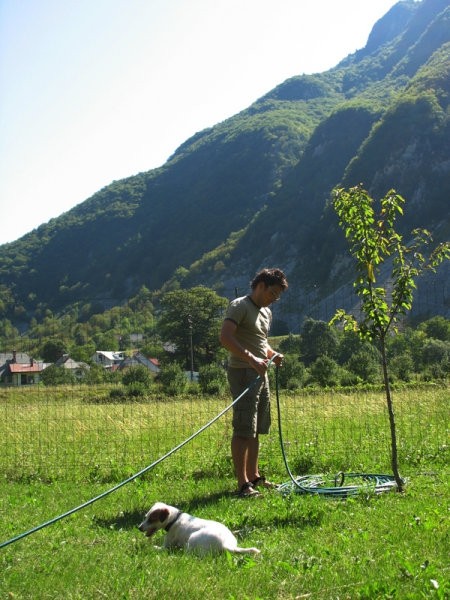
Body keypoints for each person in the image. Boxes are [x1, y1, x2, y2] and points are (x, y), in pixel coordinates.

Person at [220, 267, 288, 497]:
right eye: (273, 293)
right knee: (243, 429)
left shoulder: (266, 312)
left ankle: (254, 476)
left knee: (256, 428)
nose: (274, 299)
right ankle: (242, 484)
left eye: (278, 295)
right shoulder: (239, 306)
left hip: (260, 373)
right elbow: (225, 337)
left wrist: (272, 355)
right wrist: (251, 359)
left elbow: (261, 343)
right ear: (260, 286)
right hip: (242, 373)